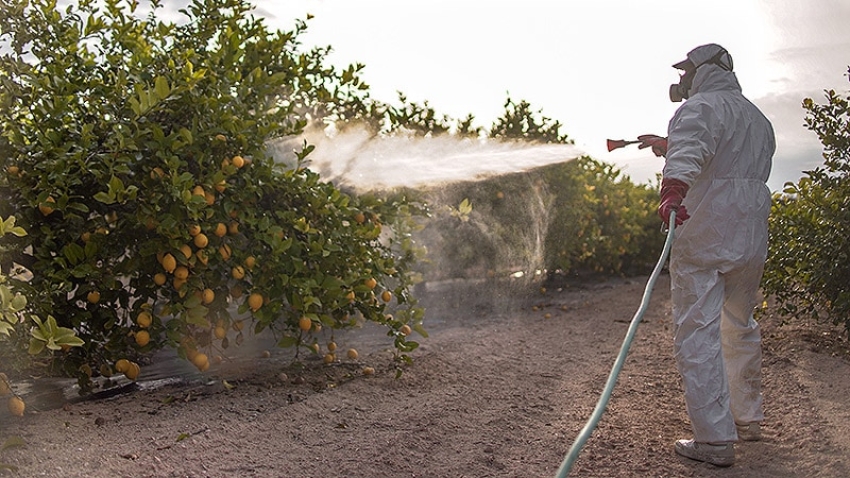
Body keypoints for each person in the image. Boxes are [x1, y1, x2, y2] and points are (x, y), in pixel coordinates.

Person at [637, 43, 775, 467]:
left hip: (707, 232)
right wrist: (670, 144)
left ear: (707, 71)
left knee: (697, 330)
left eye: (686, 71)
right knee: (738, 324)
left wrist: (672, 190)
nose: (681, 79)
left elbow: (692, 152)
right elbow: (725, 158)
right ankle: (745, 418)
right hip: (750, 235)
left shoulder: (698, 109)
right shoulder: (756, 117)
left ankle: (714, 440)